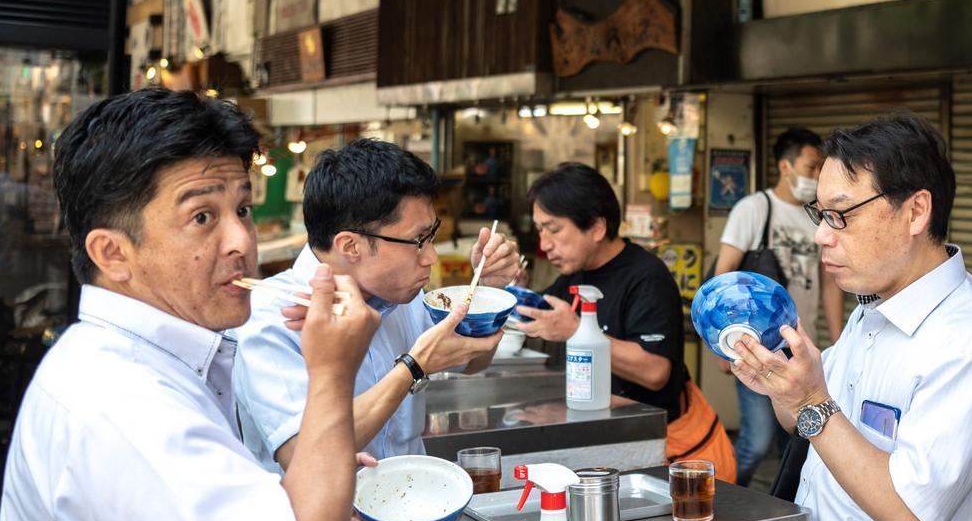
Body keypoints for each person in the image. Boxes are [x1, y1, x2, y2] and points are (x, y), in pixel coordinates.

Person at [0, 88, 380, 521]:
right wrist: (333, 374)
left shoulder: (142, 359)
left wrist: (319, 477)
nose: (241, 240)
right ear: (113, 253)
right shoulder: (120, 402)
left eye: (241, 208)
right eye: (202, 216)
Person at [731, 112, 972, 521]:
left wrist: (810, 401)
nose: (823, 236)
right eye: (819, 214)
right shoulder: (873, 310)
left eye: (841, 215)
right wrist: (785, 390)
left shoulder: (969, 345)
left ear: (915, 211)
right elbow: (817, 432)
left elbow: (911, 518)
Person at [234, 138, 520, 471]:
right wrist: (413, 367)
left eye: (432, 236)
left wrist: (486, 294)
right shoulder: (271, 316)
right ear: (350, 246)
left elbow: (472, 361)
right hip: (331, 520)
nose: (431, 257)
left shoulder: (402, 295)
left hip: (414, 505)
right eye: (417, 240)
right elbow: (302, 454)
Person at [512, 162, 737, 479]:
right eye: (539, 230)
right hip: (597, 443)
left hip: (652, 452)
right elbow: (534, 319)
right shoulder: (573, 276)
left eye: (554, 229)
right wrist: (510, 289)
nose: (544, 244)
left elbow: (656, 371)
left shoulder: (646, 277)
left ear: (596, 227)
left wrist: (577, 330)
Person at [714, 126, 846, 486]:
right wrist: (721, 345)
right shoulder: (755, 209)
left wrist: (839, 340)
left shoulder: (818, 214)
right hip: (757, 348)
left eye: (821, 167)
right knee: (756, 442)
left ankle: (776, 510)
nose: (817, 175)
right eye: (811, 167)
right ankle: (726, 497)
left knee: (793, 441)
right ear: (784, 167)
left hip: (800, 347)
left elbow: (829, 284)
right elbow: (721, 279)